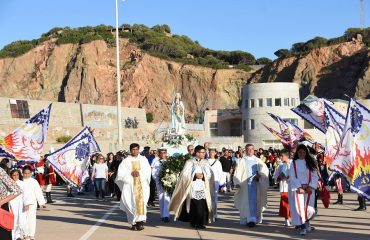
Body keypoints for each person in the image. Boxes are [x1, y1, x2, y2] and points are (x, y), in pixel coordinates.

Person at [169, 145, 215, 229]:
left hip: (203, 186)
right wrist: (194, 175)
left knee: (202, 205)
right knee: (194, 205)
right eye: (202, 152)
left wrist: (204, 176)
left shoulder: (205, 162)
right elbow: (184, 175)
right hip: (192, 187)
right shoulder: (189, 162)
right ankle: (193, 222)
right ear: (197, 153)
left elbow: (210, 174)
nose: (204, 154)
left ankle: (201, 223)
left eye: (204, 152)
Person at [115, 143, 151, 231]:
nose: (135, 151)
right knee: (130, 203)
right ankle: (133, 223)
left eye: (136, 149)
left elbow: (147, 171)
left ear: (139, 150)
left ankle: (140, 222)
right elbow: (120, 174)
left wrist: (139, 173)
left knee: (141, 203)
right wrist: (130, 173)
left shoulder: (143, 159)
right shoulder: (126, 161)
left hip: (141, 185)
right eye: (133, 149)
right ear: (130, 150)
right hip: (130, 186)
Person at [234, 144, 269, 227]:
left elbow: (264, 171)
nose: (250, 150)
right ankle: (247, 218)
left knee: (255, 201)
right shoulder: (242, 160)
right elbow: (237, 172)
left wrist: (259, 176)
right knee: (246, 202)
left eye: (251, 149)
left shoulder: (258, 161)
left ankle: (252, 219)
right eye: (248, 149)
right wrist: (237, 183)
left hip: (256, 184)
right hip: (245, 185)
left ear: (254, 150)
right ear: (245, 150)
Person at [289, 144, 319, 236]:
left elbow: (315, 175)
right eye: (300, 152)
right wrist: (299, 187)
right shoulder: (293, 163)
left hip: (309, 189)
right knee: (300, 208)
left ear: (306, 153)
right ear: (297, 153)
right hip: (298, 189)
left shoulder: (310, 162)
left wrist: (311, 186)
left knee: (309, 209)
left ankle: (306, 222)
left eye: (303, 152)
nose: (301, 154)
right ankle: (302, 227)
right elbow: (292, 176)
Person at [23, 165, 46, 240]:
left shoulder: (34, 181)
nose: (26, 175)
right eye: (25, 173)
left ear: (31, 173)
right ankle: (25, 234)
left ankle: (31, 234)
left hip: (32, 203)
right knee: (23, 219)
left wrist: (41, 203)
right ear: (22, 173)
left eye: (28, 173)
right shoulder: (20, 181)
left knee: (32, 219)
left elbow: (38, 192)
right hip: (22, 204)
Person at [0, 167, 22, 240]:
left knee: (3, 235)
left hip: (1, 208)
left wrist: (1, 202)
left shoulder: (1, 171)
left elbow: (17, 190)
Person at [151, 148, 171, 222]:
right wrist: (157, 179)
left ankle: (166, 215)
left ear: (166, 153)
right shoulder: (155, 161)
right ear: (159, 153)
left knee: (167, 197)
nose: (163, 154)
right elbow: (153, 171)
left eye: (164, 153)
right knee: (161, 197)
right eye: (161, 153)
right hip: (159, 181)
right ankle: (162, 215)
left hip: (168, 181)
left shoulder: (168, 161)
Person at [273, 149, 291, 226]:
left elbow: (295, 175)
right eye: (280, 156)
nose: (281, 157)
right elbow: (275, 176)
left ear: (287, 156)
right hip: (283, 187)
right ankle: (286, 219)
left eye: (282, 156)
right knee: (284, 204)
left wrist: (288, 177)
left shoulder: (292, 164)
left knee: (292, 204)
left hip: (291, 187)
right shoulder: (280, 165)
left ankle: (293, 218)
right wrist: (279, 177)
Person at [207, 147, 224, 221]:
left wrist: (222, 185)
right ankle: (208, 214)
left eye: (213, 152)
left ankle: (215, 214)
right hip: (207, 181)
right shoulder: (205, 161)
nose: (211, 153)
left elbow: (220, 173)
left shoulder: (217, 162)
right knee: (207, 198)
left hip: (215, 181)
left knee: (214, 198)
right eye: (210, 152)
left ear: (215, 153)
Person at [9, 169, 27, 240]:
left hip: (20, 203)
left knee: (21, 220)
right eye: (14, 175)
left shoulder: (22, 183)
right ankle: (12, 236)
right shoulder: (9, 183)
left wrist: (26, 203)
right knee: (13, 220)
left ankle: (18, 235)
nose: (15, 176)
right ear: (11, 176)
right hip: (12, 203)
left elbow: (25, 194)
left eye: (17, 175)